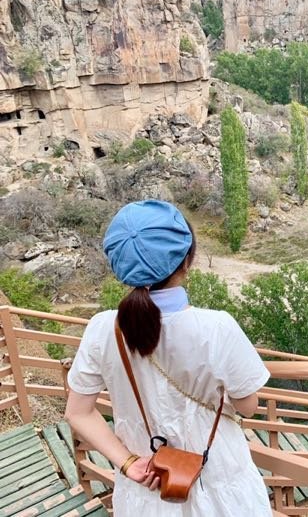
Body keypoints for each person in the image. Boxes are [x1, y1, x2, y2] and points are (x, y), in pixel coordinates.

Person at [64, 200, 271, 516]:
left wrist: (129, 462)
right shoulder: (217, 327)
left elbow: (78, 413)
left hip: (148, 487)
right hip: (219, 481)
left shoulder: (102, 329)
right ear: (187, 261)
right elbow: (248, 406)